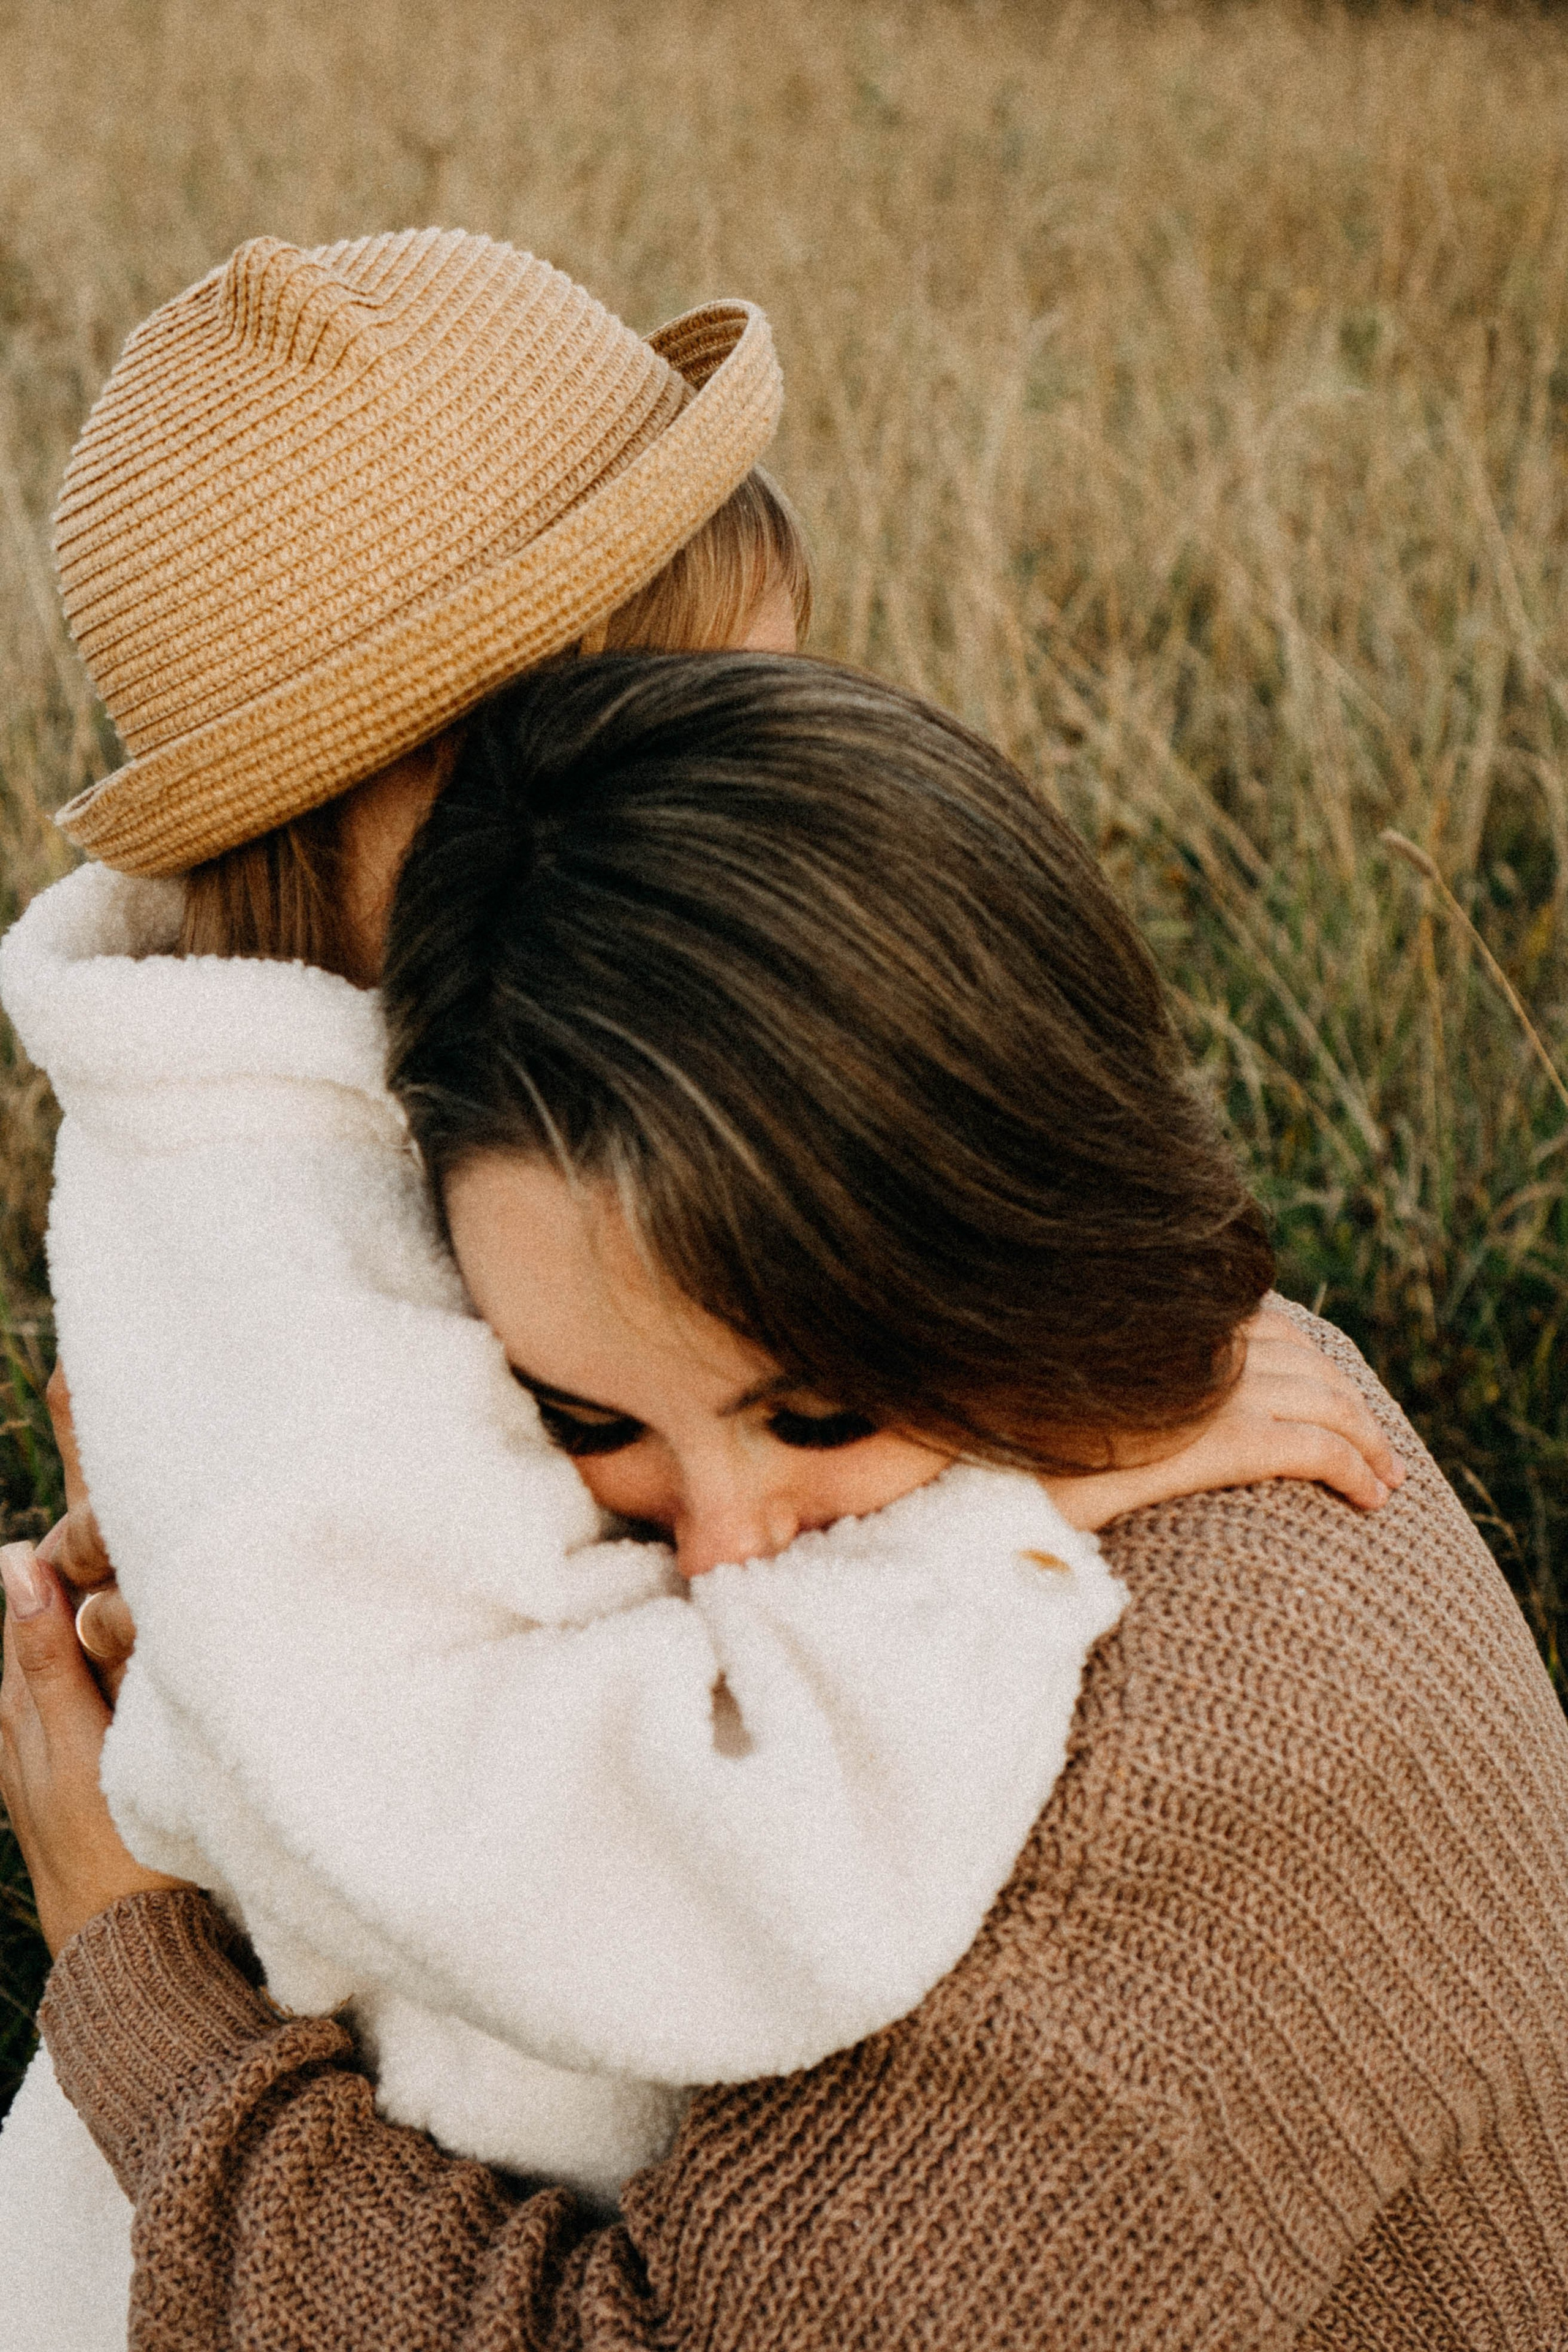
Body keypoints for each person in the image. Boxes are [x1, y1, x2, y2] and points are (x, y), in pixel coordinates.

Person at [0, 230, 1398, 2351]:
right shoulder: (270, 1273)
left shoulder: (396, 1090)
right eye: (695, 729)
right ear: (494, 792)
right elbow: (624, 1875)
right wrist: (993, 1524)